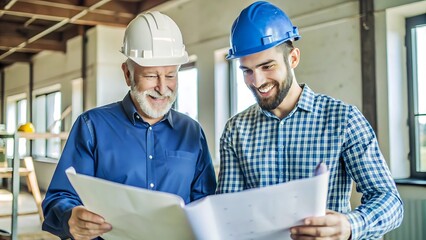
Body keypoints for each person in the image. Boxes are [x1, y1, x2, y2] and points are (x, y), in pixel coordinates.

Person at [216, 1, 403, 239]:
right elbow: (228, 212)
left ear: (293, 58)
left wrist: (349, 226)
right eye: (247, 71)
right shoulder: (236, 130)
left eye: (267, 66)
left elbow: (389, 201)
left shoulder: (343, 120)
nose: (257, 81)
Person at [42, 11, 217, 239]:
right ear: (127, 74)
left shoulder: (192, 132)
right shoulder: (92, 127)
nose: (163, 88)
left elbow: (205, 203)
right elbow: (59, 196)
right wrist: (70, 217)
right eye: (152, 76)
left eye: (171, 75)